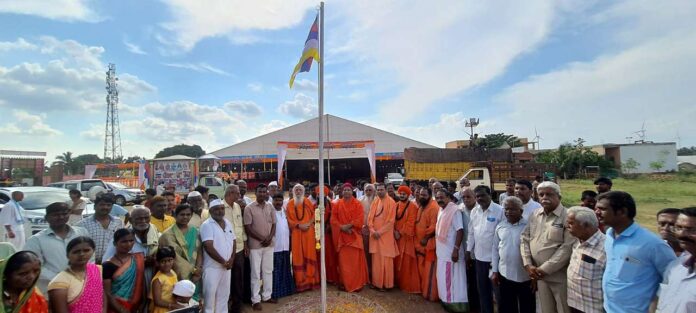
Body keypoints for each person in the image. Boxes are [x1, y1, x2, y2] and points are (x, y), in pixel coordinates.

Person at [597, 191, 675, 313]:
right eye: (597, 209)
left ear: (622, 212)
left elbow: (671, 279)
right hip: (609, 308)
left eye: (602, 209)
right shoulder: (609, 235)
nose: (597, 213)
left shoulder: (652, 244)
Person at [520, 181, 574, 313]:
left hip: (559, 277)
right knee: (546, 310)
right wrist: (527, 264)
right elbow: (524, 238)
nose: (545, 197)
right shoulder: (535, 214)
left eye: (549, 194)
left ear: (559, 197)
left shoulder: (568, 216)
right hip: (539, 277)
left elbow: (567, 248)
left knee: (563, 309)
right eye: (541, 194)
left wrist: (543, 269)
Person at [24, 202, 90, 293]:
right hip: (51, 290)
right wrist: (62, 278)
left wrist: (84, 276)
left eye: (64, 214)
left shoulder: (81, 232)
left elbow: (90, 256)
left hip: (81, 286)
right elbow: (35, 266)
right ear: (46, 218)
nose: (61, 217)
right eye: (56, 215)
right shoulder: (36, 240)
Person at [492, 196, 534, 313]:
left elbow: (534, 251)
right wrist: (495, 271)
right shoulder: (500, 226)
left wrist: (534, 276)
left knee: (527, 306)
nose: (508, 212)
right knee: (508, 306)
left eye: (513, 209)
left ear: (521, 211)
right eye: (506, 209)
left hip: (525, 277)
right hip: (505, 275)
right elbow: (495, 249)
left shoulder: (528, 226)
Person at [466, 185, 503, 313]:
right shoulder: (474, 211)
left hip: (496, 261)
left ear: (490, 195)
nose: (479, 198)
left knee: (498, 295)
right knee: (483, 292)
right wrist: (468, 251)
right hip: (479, 258)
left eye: (482, 195)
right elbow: (471, 233)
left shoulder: (500, 211)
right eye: (477, 196)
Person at [565, 206, 606, 313]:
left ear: (586, 225)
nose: (567, 226)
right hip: (574, 302)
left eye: (571, 223)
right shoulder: (577, 240)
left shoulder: (606, 248)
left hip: (593, 308)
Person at [47, 236, 104, 313]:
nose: (82, 254)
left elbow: (102, 295)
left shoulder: (97, 270)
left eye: (86, 250)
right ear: (68, 255)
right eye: (76, 251)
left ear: (93, 251)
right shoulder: (59, 282)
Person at [159, 204, 203, 301]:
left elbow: (199, 250)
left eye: (188, 214)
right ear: (175, 215)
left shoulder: (195, 231)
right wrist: (193, 271)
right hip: (176, 274)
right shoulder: (167, 235)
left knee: (194, 303)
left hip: (196, 274)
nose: (185, 217)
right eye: (182, 214)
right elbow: (176, 258)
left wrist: (198, 269)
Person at [243, 184, 277, 310]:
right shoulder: (249, 208)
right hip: (256, 246)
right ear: (255, 193)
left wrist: (269, 238)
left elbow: (274, 224)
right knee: (256, 273)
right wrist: (262, 239)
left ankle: (267, 296)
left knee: (268, 270)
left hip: (269, 244)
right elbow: (248, 228)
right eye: (260, 192)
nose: (262, 194)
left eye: (264, 191)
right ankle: (255, 299)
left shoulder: (270, 206)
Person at [331, 183, 369, 292]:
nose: (347, 192)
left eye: (348, 190)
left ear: (352, 191)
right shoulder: (337, 204)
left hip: (354, 236)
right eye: (345, 190)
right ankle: (344, 283)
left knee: (355, 263)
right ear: (341, 192)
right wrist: (341, 227)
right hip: (342, 238)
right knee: (344, 263)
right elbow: (333, 219)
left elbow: (360, 219)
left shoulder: (357, 204)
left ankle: (356, 284)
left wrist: (348, 226)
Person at [657, 207, 696, 312]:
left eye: (691, 230)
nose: (682, 234)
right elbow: (660, 301)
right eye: (678, 228)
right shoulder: (675, 266)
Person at [201, 199, 236, 313]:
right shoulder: (206, 225)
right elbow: (208, 247)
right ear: (210, 211)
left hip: (226, 267)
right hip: (212, 268)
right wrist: (223, 261)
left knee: (224, 296)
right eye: (216, 209)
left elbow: (234, 242)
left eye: (222, 208)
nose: (220, 211)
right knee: (209, 299)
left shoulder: (228, 223)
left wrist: (231, 259)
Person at [435, 190, 468, 312]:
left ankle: (456, 305)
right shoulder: (441, 209)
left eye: (442, 197)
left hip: (451, 253)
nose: (439, 200)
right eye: (437, 198)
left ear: (449, 197)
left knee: (452, 280)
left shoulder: (454, 211)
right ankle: (446, 301)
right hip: (442, 252)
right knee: (444, 278)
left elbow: (460, 230)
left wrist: (455, 250)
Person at [103, 228, 146, 313]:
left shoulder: (138, 259)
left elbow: (141, 283)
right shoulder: (107, 266)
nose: (129, 244)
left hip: (136, 307)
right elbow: (107, 293)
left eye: (131, 240)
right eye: (124, 241)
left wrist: (143, 303)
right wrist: (121, 309)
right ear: (115, 243)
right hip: (115, 308)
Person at [287, 184, 320, 292]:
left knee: (309, 254)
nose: (298, 191)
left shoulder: (308, 202)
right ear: (293, 191)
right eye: (296, 190)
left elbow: (314, 215)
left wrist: (308, 224)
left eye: (300, 189)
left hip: (308, 232)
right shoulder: (290, 204)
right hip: (296, 232)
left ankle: (311, 282)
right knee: (298, 256)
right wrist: (299, 225)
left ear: (303, 191)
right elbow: (288, 219)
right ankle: (301, 283)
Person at [367, 183, 399, 291]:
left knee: (386, 260)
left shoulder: (391, 202)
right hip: (374, 235)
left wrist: (379, 232)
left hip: (385, 236)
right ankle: (377, 283)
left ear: (386, 190)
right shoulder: (375, 201)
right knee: (376, 260)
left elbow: (391, 222)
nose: (380, 191)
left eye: (382, 189)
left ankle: (387, 284)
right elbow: (369, 218)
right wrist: (372, 230)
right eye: (378, 190)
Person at [78, 192, 124, 264]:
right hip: (91, 264)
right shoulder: (82, 224)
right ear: (94, 206)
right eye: (102, 205)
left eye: (109, 205)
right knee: (93, 276)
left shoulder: (118, 222)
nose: (105, 207)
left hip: (112, 263)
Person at [222, 185, 247, 313]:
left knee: (238, 279)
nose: (240, 195)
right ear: (231, 193)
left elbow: (240, 226)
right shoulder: (219, 207)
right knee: (225, 279)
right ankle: (224, 305)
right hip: (225, 250)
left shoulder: (237, 207)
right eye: (237, 193)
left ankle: (237, 306)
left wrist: (245, 244)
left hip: (239, 248)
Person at [394, 185, 420, 294]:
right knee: (397, 260)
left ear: (408, 195)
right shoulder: (396, 205)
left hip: (406, 238)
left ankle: (407, 285)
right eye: (400, 194)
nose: (402, 195)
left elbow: (411, 222)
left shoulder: (413, 206)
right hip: (396, 237)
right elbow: (392, 220)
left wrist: (400, 233)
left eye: (404, 194)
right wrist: (394, 232)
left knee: (406, 262)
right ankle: (398, 283)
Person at [414, 187, 439, 301]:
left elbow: (434, 227)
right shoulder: (422, 205)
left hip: (429, 245)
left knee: (429, 271)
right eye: (420, 195)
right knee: (421, 269)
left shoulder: (433, 207)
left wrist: (426, 238)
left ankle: (430, 294)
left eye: (424, 195)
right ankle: (423, 290)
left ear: (430, 195)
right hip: (420, 245)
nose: (421, 197)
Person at [457, 187, 479, 311]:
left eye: (468, 196)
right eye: (463, 197)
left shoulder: (480, 210)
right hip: (466, 253)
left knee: (480, 283)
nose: (465, 199)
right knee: (469, 280)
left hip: (481, 254)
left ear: (474, 197)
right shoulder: (460, 209)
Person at [270, 193, 295, 300]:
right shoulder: (270, 213)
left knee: (285, 268)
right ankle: (275, 293)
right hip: (275, 247)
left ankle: (286, 290)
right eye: (276, 200)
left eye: (280, 200)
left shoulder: (285, 212)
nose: (278, 202)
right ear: (273, 201)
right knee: (276, 270)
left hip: (285, 246)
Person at [150, 246, 182, 313]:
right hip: (162, 310)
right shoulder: (158, 280)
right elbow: (157, 301)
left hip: (172, 309)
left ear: (174, 260)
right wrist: (172, 305)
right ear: (157, 263)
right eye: (163, 261)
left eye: (170, 260)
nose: (167, 264)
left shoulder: (173, 273)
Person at [360, 183, 376, 278]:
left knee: (374, 252)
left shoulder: (378, 200)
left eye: (370, 190)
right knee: (366, 251)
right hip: (365, 229)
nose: (368, 192)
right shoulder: (360, 200)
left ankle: (375, 273)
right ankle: (367, 273)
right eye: (367, 190)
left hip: (376, 231)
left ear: (374, 191)